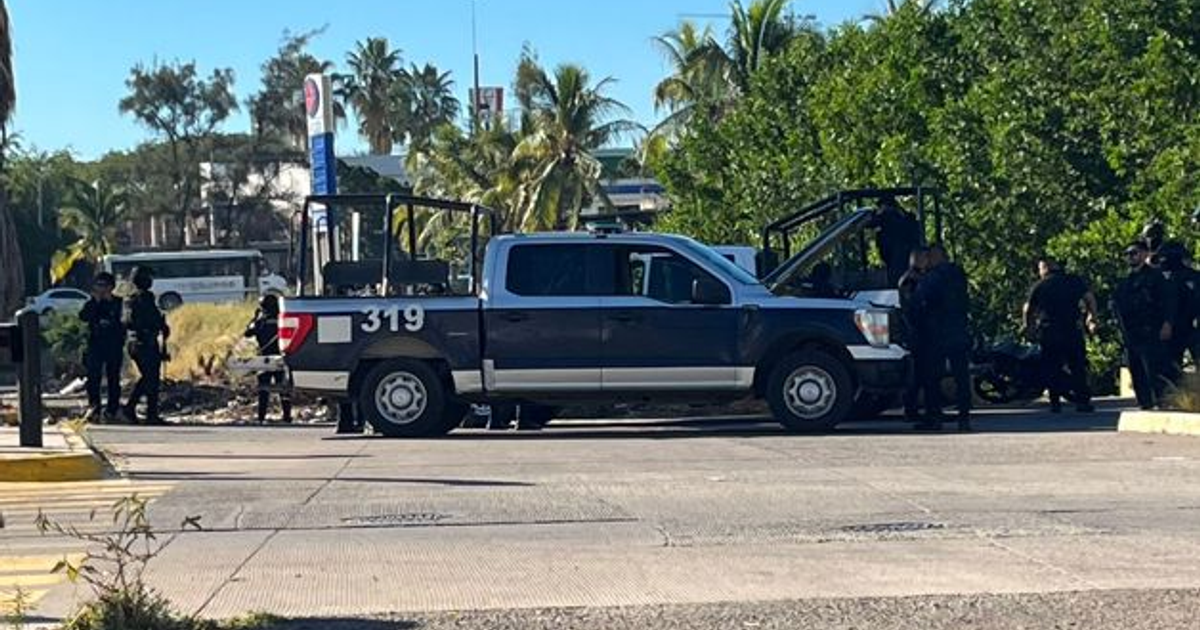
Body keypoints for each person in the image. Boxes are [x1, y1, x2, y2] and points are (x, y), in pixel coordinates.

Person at [1023, 259, 1097, 413]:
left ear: (1045, 268)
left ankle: (1055, 403)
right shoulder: (1073, 281)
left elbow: (1028, 309)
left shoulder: (1040, 285)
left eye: (1040, 268)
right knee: (1077, 366)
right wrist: (1092, 317)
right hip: (1071, 329)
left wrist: (1028, 327)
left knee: (1051, 367)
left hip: (1050, 331)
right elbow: (1090, 298)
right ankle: (1083, 401)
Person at [912, 244, 972, 432]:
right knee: (961, 376)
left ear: (935, 257)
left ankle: (934, 417)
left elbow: (919, 304)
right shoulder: (958, 274)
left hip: (935, 334)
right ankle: (964, 418)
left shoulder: (931, 278)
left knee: (932, 378)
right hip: (959, 330)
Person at [1113, 241, 1176, 410]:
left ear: (1145, 254)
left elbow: (1168, 302)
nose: (1130, 257)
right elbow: (1118, 305)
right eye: (1128, 254)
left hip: (1151, 329)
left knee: (1153, 368)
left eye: (1134, 253)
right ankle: (1145, 403)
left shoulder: (1156, 277)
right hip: (1131, 332)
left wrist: (1167, 324)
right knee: (1136, 369)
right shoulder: (1126, 281)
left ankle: (1162, 401)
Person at [123, 266, 170, 425]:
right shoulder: (144, 298)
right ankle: (144, 412)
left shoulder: (130, 299)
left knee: (148, 378)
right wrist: (161, 326)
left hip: (136, 343)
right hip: (145, 343)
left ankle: (138, 410)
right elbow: (151, 320)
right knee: (151, 379)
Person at [79, 272, 125, 421]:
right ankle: (94, 408)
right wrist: (96, 302)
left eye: (103, 285)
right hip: (95, 345)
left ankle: (112, 409)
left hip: (114, 345)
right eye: (97, 285)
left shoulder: (118, 302)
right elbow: (83, 317)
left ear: (111, 287)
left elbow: (124, 321)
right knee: (93, 378)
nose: (100, 288)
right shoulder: (92, 302)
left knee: (113, 378)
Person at [244, 294, 292, 424]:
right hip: (280, 358)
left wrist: (254, 317)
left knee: (263, 390)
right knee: (283, 389)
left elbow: (247, 333)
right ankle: (287, 416)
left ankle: (261, 417)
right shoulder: (282, 321)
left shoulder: (260, 322)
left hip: (264, 359)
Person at [1158, 242, 1199, 378]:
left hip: (1190, 326)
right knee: (1171, 369)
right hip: (1171, 328)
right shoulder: (1159, 277)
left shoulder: (1193, 277)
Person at [898, 247, 930, 422]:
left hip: (917, 332)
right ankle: (910, 408)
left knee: (921, 372)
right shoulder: (911, 280)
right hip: (915, 332)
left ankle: (915, 407)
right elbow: (912, 307)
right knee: (916, 374)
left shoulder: (916, 278)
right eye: (925, 257)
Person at [871, 197, 923, 286]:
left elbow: (872, 222)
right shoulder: (906, 218)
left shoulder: (890, 217)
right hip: (904, 259)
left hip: (898, 259)